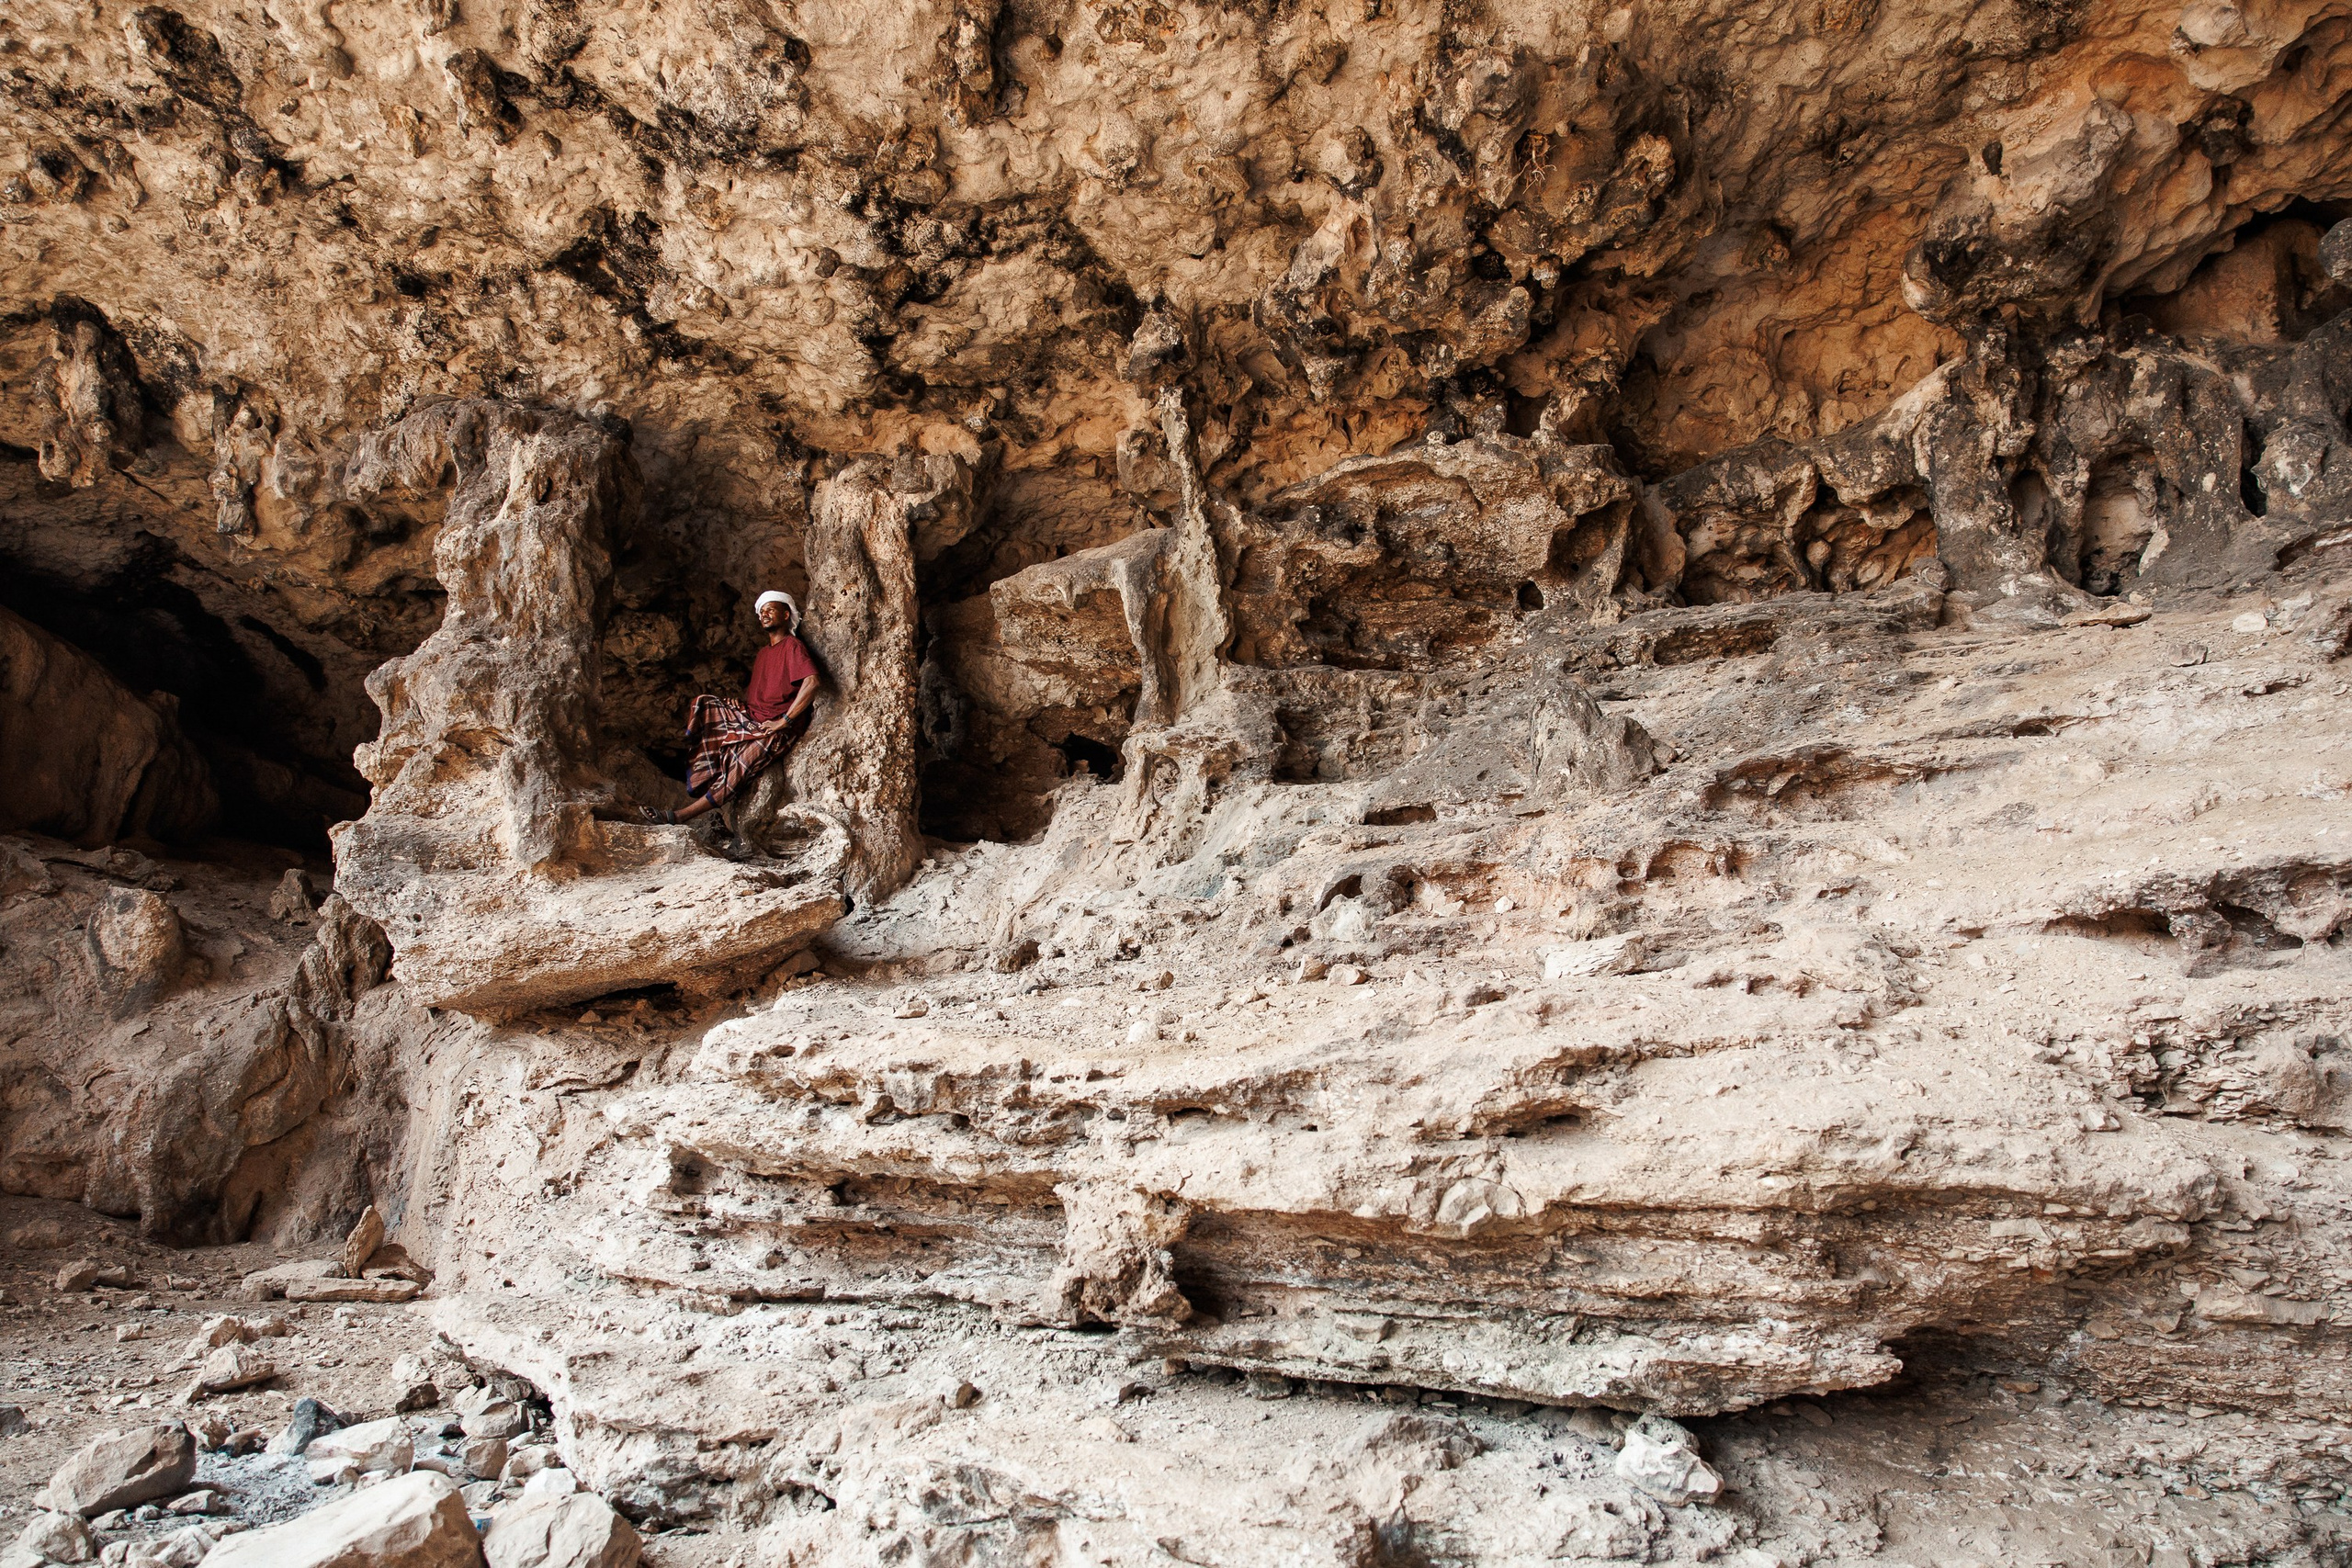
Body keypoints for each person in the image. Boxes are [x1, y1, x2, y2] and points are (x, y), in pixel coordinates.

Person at [621, 590, 818, 826]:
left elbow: (812, 681)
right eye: (761, 611)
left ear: (786, 615)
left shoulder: (792, 646)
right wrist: (741, 706)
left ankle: (680, 816)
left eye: (770, 610)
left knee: (741, 764)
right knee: (705, 703)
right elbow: (768, 693)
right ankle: (708, 776)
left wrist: (784, 720)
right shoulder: (764, 653)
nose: (764, 615)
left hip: (776, 728)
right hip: (753, 717)